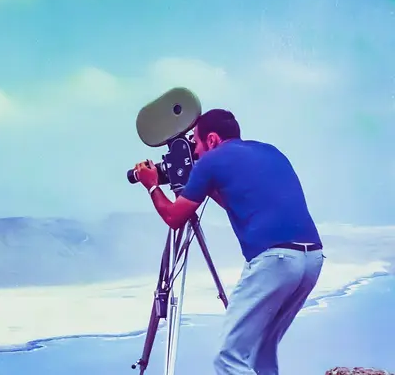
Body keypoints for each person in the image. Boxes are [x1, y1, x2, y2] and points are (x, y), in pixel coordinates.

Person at [134, 108, 324, 375]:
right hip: (312, 258)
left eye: (197, 145)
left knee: (228, 359)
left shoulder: (212, 162)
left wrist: (152, 185)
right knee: (260, 354)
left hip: (275, 261)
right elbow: (241, 202)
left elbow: (174, 217)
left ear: (212, 140)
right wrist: (203, 186)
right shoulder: (269, 150)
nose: (197, 154)